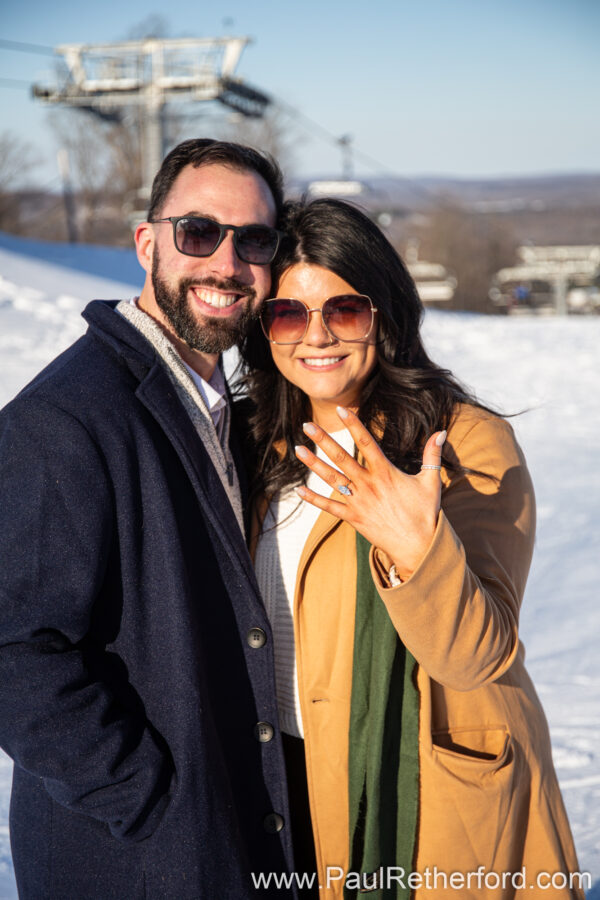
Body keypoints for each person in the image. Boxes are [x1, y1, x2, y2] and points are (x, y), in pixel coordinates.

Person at [236, 198, 584, 899]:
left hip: (421, 788)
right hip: (282, 780)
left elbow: (477, 654)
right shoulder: (251, 444)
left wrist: (414, 546)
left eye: (345, 310)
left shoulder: (462, 445)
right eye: (289, 314)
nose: (317, 335)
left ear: (385, 313)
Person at [0, 139, 297, 899]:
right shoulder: (64, 418)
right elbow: (14, 650)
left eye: (254, 240)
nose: (226, 265)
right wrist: (151, 803)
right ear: (146, 243)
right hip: (133, 864)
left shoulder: (214, 404)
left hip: (225, 843)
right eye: (199, 233)